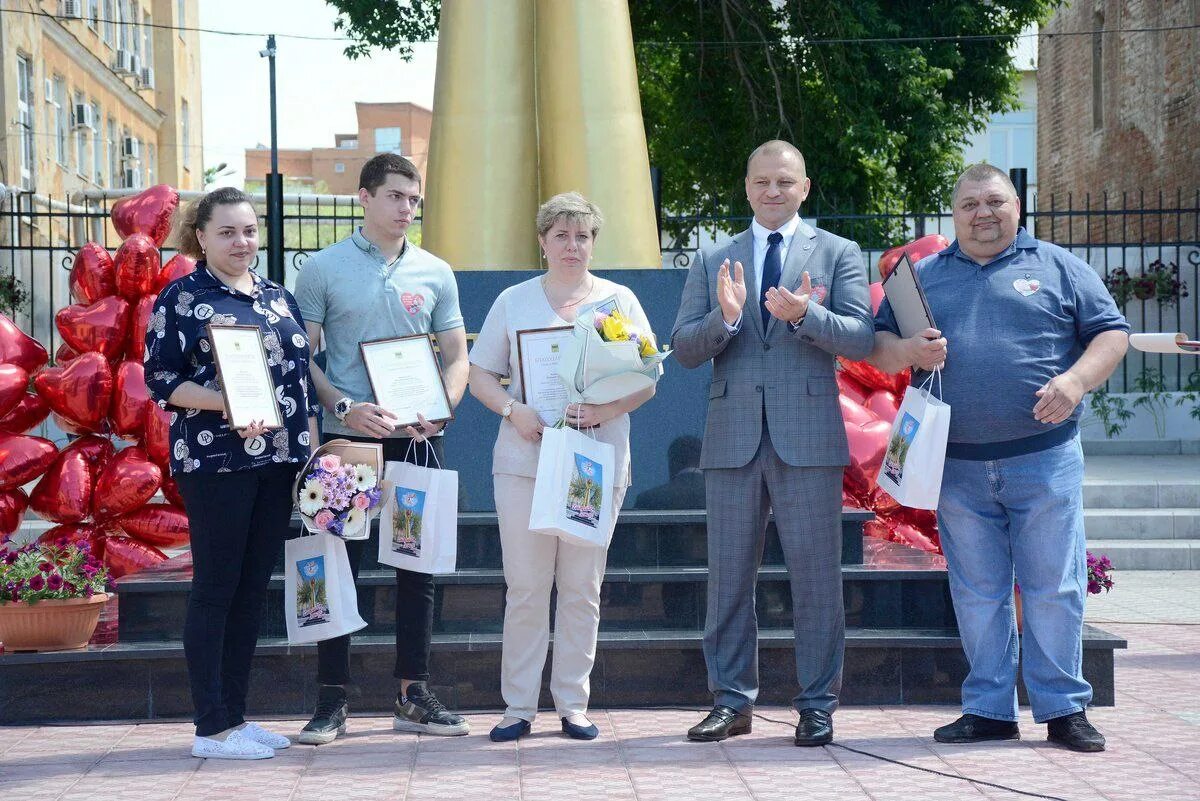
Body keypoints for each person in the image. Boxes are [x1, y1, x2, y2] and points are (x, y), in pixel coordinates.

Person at [869, 163, 1129, 753]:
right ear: (953, 214)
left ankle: (1063, 709)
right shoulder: (922, 278)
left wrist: (1075, 381)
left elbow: (1112, 333)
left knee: (1054, 588)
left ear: (1018, 206)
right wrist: (908, 348)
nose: (983, 214)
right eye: (969, 205)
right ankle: (988, 708)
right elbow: (880, 347)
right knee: (977, 591)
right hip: (956, 465)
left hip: (1044, 459)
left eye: (995, 202)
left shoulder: (1058, 266)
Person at [671, 141, 874, 746]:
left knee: (816, 578)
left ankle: (817, 704)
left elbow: (862, 339)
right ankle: (731, 701)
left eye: (784, 182)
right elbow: (683, 347)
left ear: (804, 187)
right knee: (728, 576)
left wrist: (804, 317)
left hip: (807, 438)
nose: (772, 192)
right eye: (761, 181)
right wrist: (727, 319)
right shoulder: (714, 259)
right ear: (746, 186)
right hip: (733, 439)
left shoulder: (838, 252)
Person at [292, 153, 470, 743]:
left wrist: (440, 408)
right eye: (396, 197)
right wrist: (344, 408)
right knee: (336, 567)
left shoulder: (435, 272)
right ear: (364, 197)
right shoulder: (322, 269)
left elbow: (456, 356)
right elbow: (304, 360)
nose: (406, 209)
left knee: (416, 569)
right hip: (347, 444)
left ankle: (412, 695)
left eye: (414, 200)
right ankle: (330, 701)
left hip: (416, 444)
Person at [468, 192, 656, 742]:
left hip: (593, 462)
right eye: (561, 235)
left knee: (581, 587)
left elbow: (647, 377)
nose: (572, 246)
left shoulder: (618, 301)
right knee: (526, 587)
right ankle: (518, 707)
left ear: (594, 242)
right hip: (525, 458)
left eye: (583, 236)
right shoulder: (513, 301)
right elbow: (481, 375)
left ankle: (573, 703)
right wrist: (512, 408)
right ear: (543, 241)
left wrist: (605, 409)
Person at [145, 187, 320, 760]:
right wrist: (228, 403)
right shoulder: (182, 298)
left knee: (250, 590)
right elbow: (162, 380)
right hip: (217, 461)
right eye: (227, 232)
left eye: (248, 231)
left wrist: (313, 443)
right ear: (201, 235)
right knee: (216, 587)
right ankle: (210, 726)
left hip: (278, 459)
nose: (242, 242)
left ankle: (236, 718)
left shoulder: (276, 296)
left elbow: (298, 377)